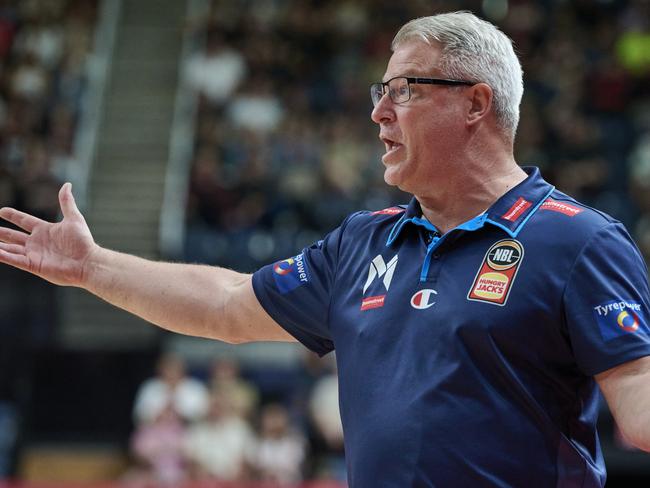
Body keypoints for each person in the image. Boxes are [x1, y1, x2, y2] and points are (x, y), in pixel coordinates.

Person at [0, 11, 648, 487]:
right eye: (379, 93)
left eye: (403, 90)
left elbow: (640, 409)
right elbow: (225, 304)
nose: (379, 113)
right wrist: (93, 267)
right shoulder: (363, 242)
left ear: (476, 103)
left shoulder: (578, 241)